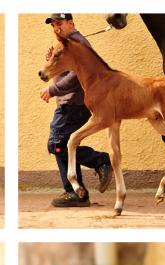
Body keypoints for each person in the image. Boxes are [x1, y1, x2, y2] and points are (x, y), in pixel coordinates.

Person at [40, 14, 113, 208]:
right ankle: (76, 192)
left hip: (74, 104)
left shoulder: (78, 42)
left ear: (71, 23)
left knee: (56, 145)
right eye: (53, 25)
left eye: (60, 24)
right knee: (62, 145)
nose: (56, 28)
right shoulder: (69, 43)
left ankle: (101, 161)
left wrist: (52, 89)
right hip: (69, 104)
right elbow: (67, 69)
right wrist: (52, 62)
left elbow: (76, 76)